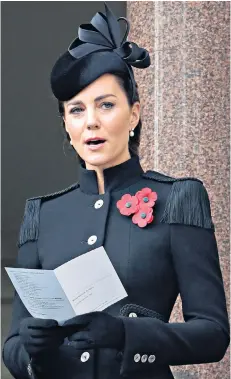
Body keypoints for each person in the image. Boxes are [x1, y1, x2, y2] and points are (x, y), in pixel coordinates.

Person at [2, 3, 230, 379]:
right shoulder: (42, 215)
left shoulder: (179, 201)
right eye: (76, 110)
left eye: (105, 105)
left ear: (134, 114)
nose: (91, 121)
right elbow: (13, 348)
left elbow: (213, 333)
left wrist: (126, 333)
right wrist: (30, 347)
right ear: (66, 125)